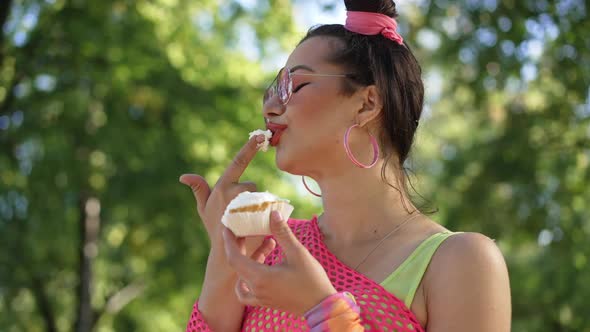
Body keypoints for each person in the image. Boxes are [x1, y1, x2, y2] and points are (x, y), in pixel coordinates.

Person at [180, 0, 512, 331]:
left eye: (295, 86)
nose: (270, 107)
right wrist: (225, 256)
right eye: (274, 89)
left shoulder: (461, 262)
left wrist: (322, 310)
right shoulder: (268, 248)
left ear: (367, 104)